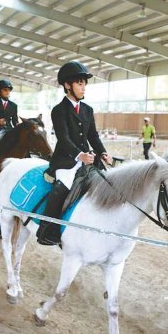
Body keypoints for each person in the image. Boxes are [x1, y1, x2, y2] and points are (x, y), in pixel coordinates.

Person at [36, 61, 113, 246]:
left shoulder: (87, 110)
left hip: (88, 158)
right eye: (80, 83)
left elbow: (92, 135)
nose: (83, 87)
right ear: (67, 85)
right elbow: (63, 139)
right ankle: (47, 229)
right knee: (62, 188)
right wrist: (80, 155)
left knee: (107, 182)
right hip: (65, 160)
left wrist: (102, 152)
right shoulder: (58, 110)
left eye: (84, 83)